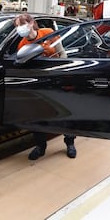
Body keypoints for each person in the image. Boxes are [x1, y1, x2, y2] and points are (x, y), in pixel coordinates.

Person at [14, 13, 76, 160]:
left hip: (56, 80)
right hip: (39, 84)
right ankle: (40, 146)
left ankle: (70, 143)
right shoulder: (22, 45)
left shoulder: (48, 33)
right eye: (16, 26)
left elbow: (62, 54)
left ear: (30, 23)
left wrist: (59, 75)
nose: (19, 28)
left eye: (21, 24)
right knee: (38, 116)